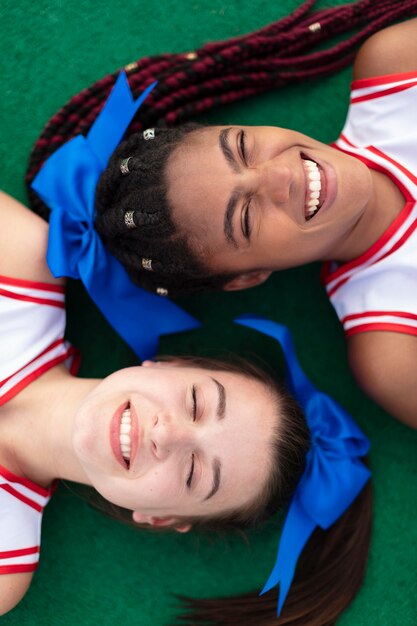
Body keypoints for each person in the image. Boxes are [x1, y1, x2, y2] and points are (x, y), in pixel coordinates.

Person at [30, 10, 417, 428]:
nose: (281, 176)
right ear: (246, 277)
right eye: (247, 218)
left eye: (244, 147)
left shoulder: (396, 71)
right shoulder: (393, 351)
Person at [0, 189, 371, 623]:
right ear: (166, 365)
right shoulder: (17, 261)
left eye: (194, 473)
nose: (166, 434)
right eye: (196, 403)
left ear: (158, 518)